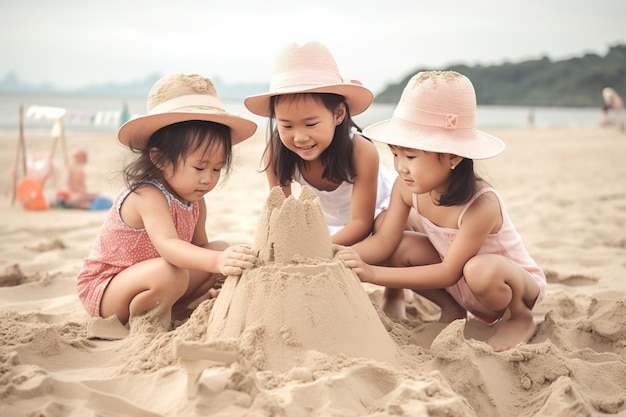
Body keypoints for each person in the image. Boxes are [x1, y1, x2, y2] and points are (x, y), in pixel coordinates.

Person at [338, 71, 547, 352]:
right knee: (399, 245)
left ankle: (518, 319)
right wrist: (342, 257)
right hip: (460, 283)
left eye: (410, 156)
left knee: (479, 269)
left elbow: (449, 272)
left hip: (505, 284)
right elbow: (385, 242)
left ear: (452, 156)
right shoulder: (406, 186)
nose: (400, 166)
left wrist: (372, 274)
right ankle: (452, 310)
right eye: (395, 154)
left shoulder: (481, 204)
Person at [76, 73, 258, 331]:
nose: (208, 179)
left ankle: (179, 310)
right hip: (109, 289)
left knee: (217, 247)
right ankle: (145, 322)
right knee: (173, 271)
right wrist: (216, 262)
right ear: (159, 159)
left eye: (217, 169)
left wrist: (220, 261)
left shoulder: (195, 200)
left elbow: (199, 248)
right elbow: (169, 246)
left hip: (158, 281)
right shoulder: (147, 195)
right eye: (199, 167)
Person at [244, 41, 396, 246]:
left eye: (311, 124)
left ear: (338, 114)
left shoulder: (361, 151)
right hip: (331, 226)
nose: (299, 137)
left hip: (378, 214)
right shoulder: (277, 152)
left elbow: (362, 223)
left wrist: (316, 249)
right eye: (286, 126)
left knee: (384, 227)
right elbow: (280, 212)